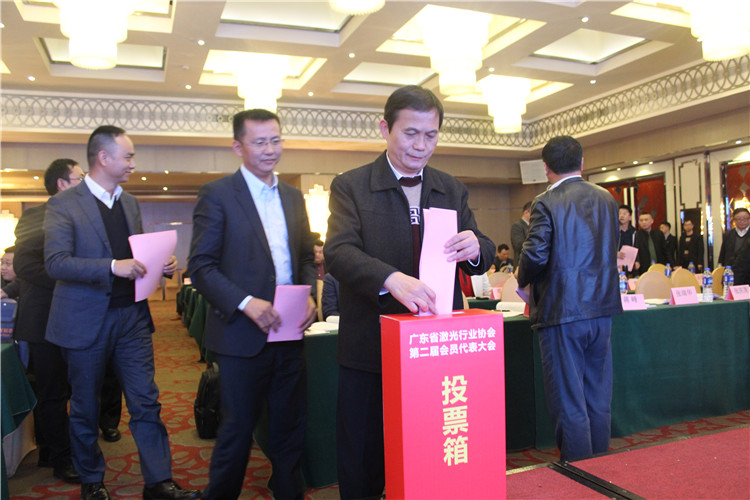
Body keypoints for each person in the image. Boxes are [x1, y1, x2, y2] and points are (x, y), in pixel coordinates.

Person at [325, 85, 495, 499]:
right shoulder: (352, 186)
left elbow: (482, 250)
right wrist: (389, 278)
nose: (421, 146)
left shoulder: (450, 188)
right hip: (371, 345)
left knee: (433, 452)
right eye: (411, 133)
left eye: (431, 135)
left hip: (436, 349)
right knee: (364, 455)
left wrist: (477, 247)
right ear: (385, 129)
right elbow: (339, 252)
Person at [44, 126, 199, 500]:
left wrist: (160, 264)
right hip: (85, 321)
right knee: (86, 406)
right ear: (103, 157)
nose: (133, 163)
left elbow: (137, 255)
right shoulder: (64, 204)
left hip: (132, 318)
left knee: (146, 401)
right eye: (127, 156)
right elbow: (56, 262)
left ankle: (158, 481)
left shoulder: (128, 203)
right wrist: (113, 266)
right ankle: (92, 481)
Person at [188, 109, 317, 500]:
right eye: (259, 142)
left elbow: (305, 256)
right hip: (241, 337)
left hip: (289, 332)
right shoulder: (218, 195)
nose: (270, 149)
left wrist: (309, 294)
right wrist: (246, 303)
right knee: (237, 431)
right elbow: (201, 266)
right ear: (238, 146)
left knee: (290, 427)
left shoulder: (292, 196)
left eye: (275, 140)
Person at [13, 159, 122, 484]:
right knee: (53, 392)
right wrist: (70, 276)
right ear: (62, 184)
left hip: (81, 317)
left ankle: (61, 448)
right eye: (79, 177)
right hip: (44, 319)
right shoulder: (36, 216)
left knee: (82, 387)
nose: (86, 182)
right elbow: (24, 265)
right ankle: (59, 456)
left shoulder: (87, 216)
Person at [516, 135, 622, 462]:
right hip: (601, 307)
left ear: (546, 168)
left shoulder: (545, 202)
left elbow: (535, 255)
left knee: (569, 399)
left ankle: (578, 473)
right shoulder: (607, 198)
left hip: (562, 309)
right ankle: (600, 465)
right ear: (582, 162)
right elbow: (612, 247)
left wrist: (521, 279)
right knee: (597, 396)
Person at [617, 205, 636, 275]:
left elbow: (637, 247)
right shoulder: (612, 231)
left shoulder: (634, 232)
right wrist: (614, 253)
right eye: (619, 213)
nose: (621, 216)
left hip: (630, 264)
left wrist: (637, 260)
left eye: (624, 214)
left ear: (630, 217)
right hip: (616, 264)